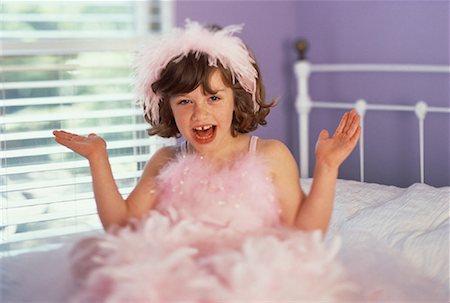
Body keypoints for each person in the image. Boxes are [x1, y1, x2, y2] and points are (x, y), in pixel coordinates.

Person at [48, 21, 442, 302]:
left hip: (251, 282)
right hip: (176, 282)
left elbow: (304, 234)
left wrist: (326, 168)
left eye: (213, 98)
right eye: (184, 101)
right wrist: (99, 161)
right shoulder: (165, 161)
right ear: (168, 108)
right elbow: (121, 227)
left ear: (236, 99)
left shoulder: (269, 156)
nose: (199, 112)